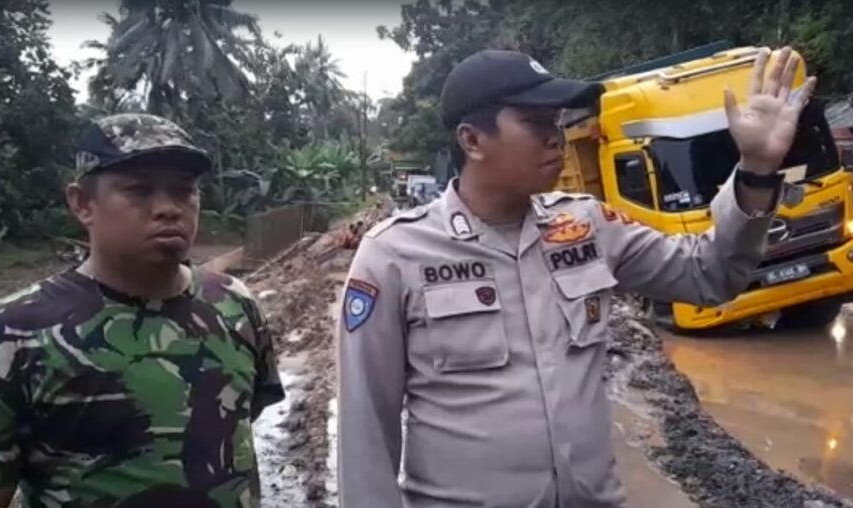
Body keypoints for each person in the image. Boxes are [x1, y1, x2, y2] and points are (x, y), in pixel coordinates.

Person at [337, 47, 815, 507]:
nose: (556, 137)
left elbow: (708, 276)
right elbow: (365, 434)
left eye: (556, 122)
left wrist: (756, 171)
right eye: (534, 122)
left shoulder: (587, 226)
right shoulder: (394, 256)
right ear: (471, 140)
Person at [0, 114, 285, 508]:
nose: (169, 209)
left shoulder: (234, 304)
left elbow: (231, 431)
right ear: (83, 203)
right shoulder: (11, 333)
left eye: (184, 191)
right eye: (139, 190)